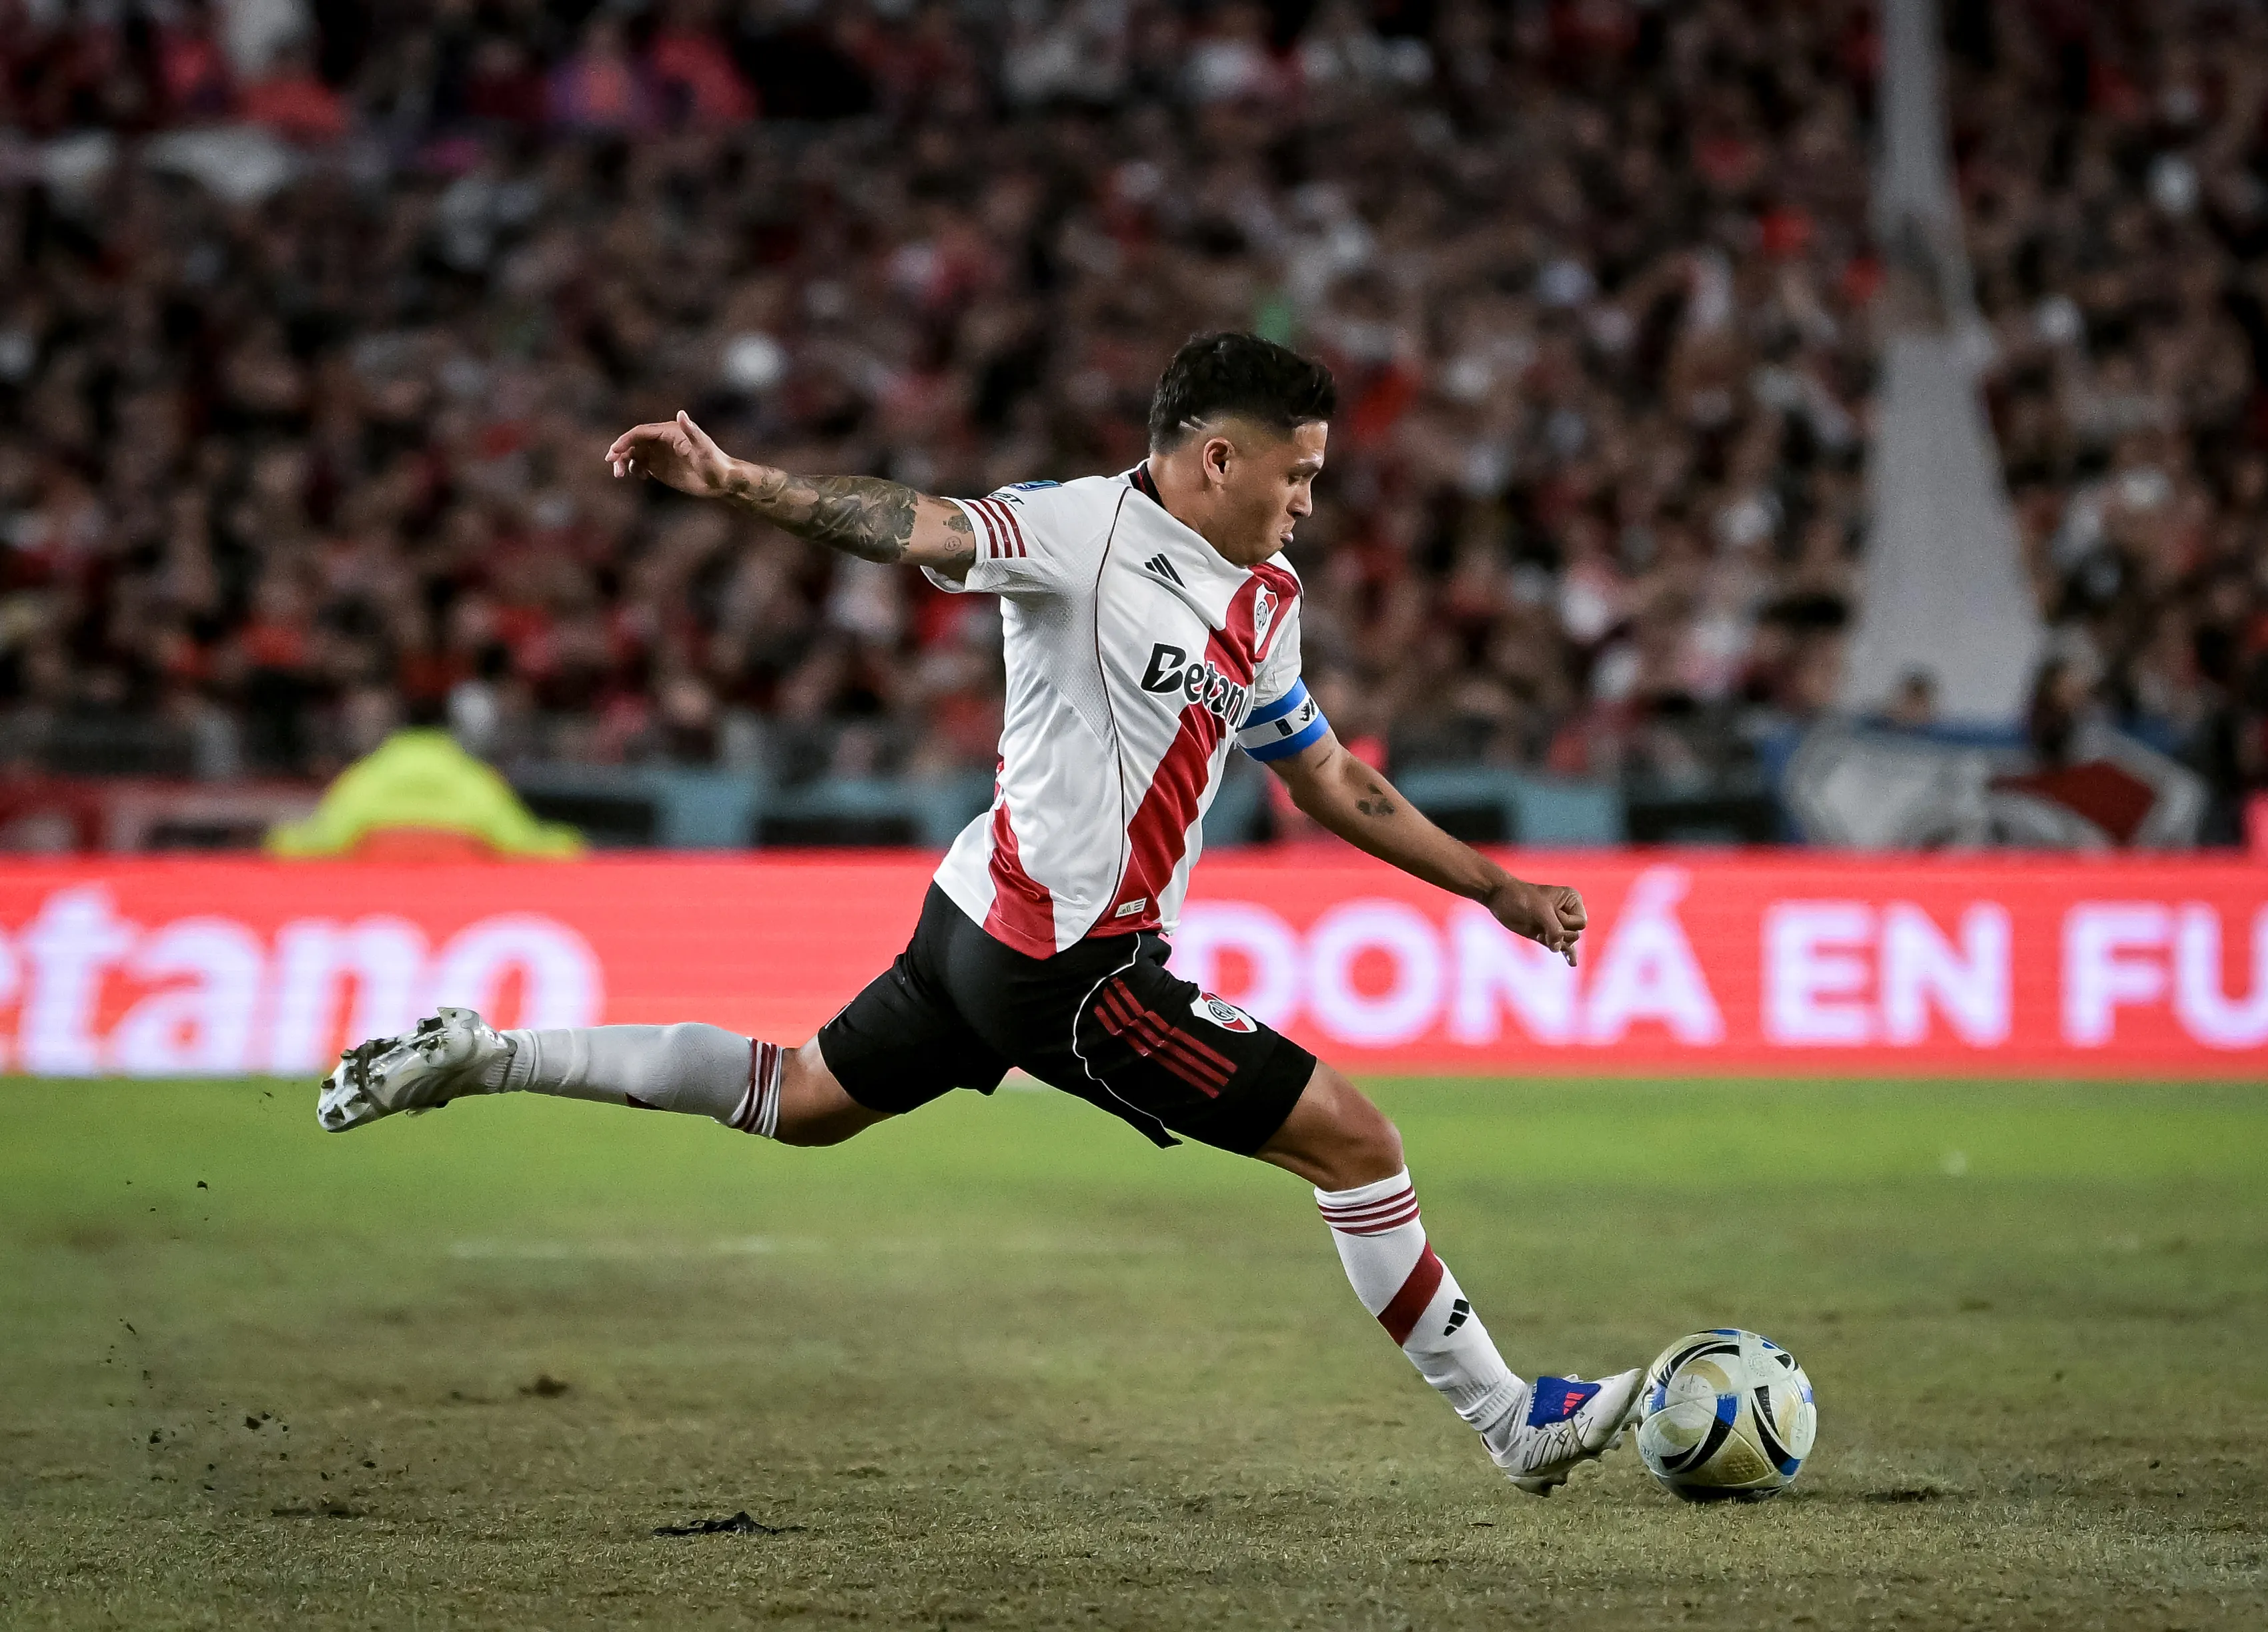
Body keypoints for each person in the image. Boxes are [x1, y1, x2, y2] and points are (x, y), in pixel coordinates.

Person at [317, 334, 1641, 1495]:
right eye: (1295, 474)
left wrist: (1497, 887)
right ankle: (1508, 1416)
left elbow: (1330, 777)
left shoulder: (1266, 600)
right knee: (1355, 1143)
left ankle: (491, 1053)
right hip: (1068, 966)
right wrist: (739, 485)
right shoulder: (1075, 531)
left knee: (798, 1095)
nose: (1307, 500)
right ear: (1217, 458)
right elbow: (913, 523)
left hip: (976, 923)